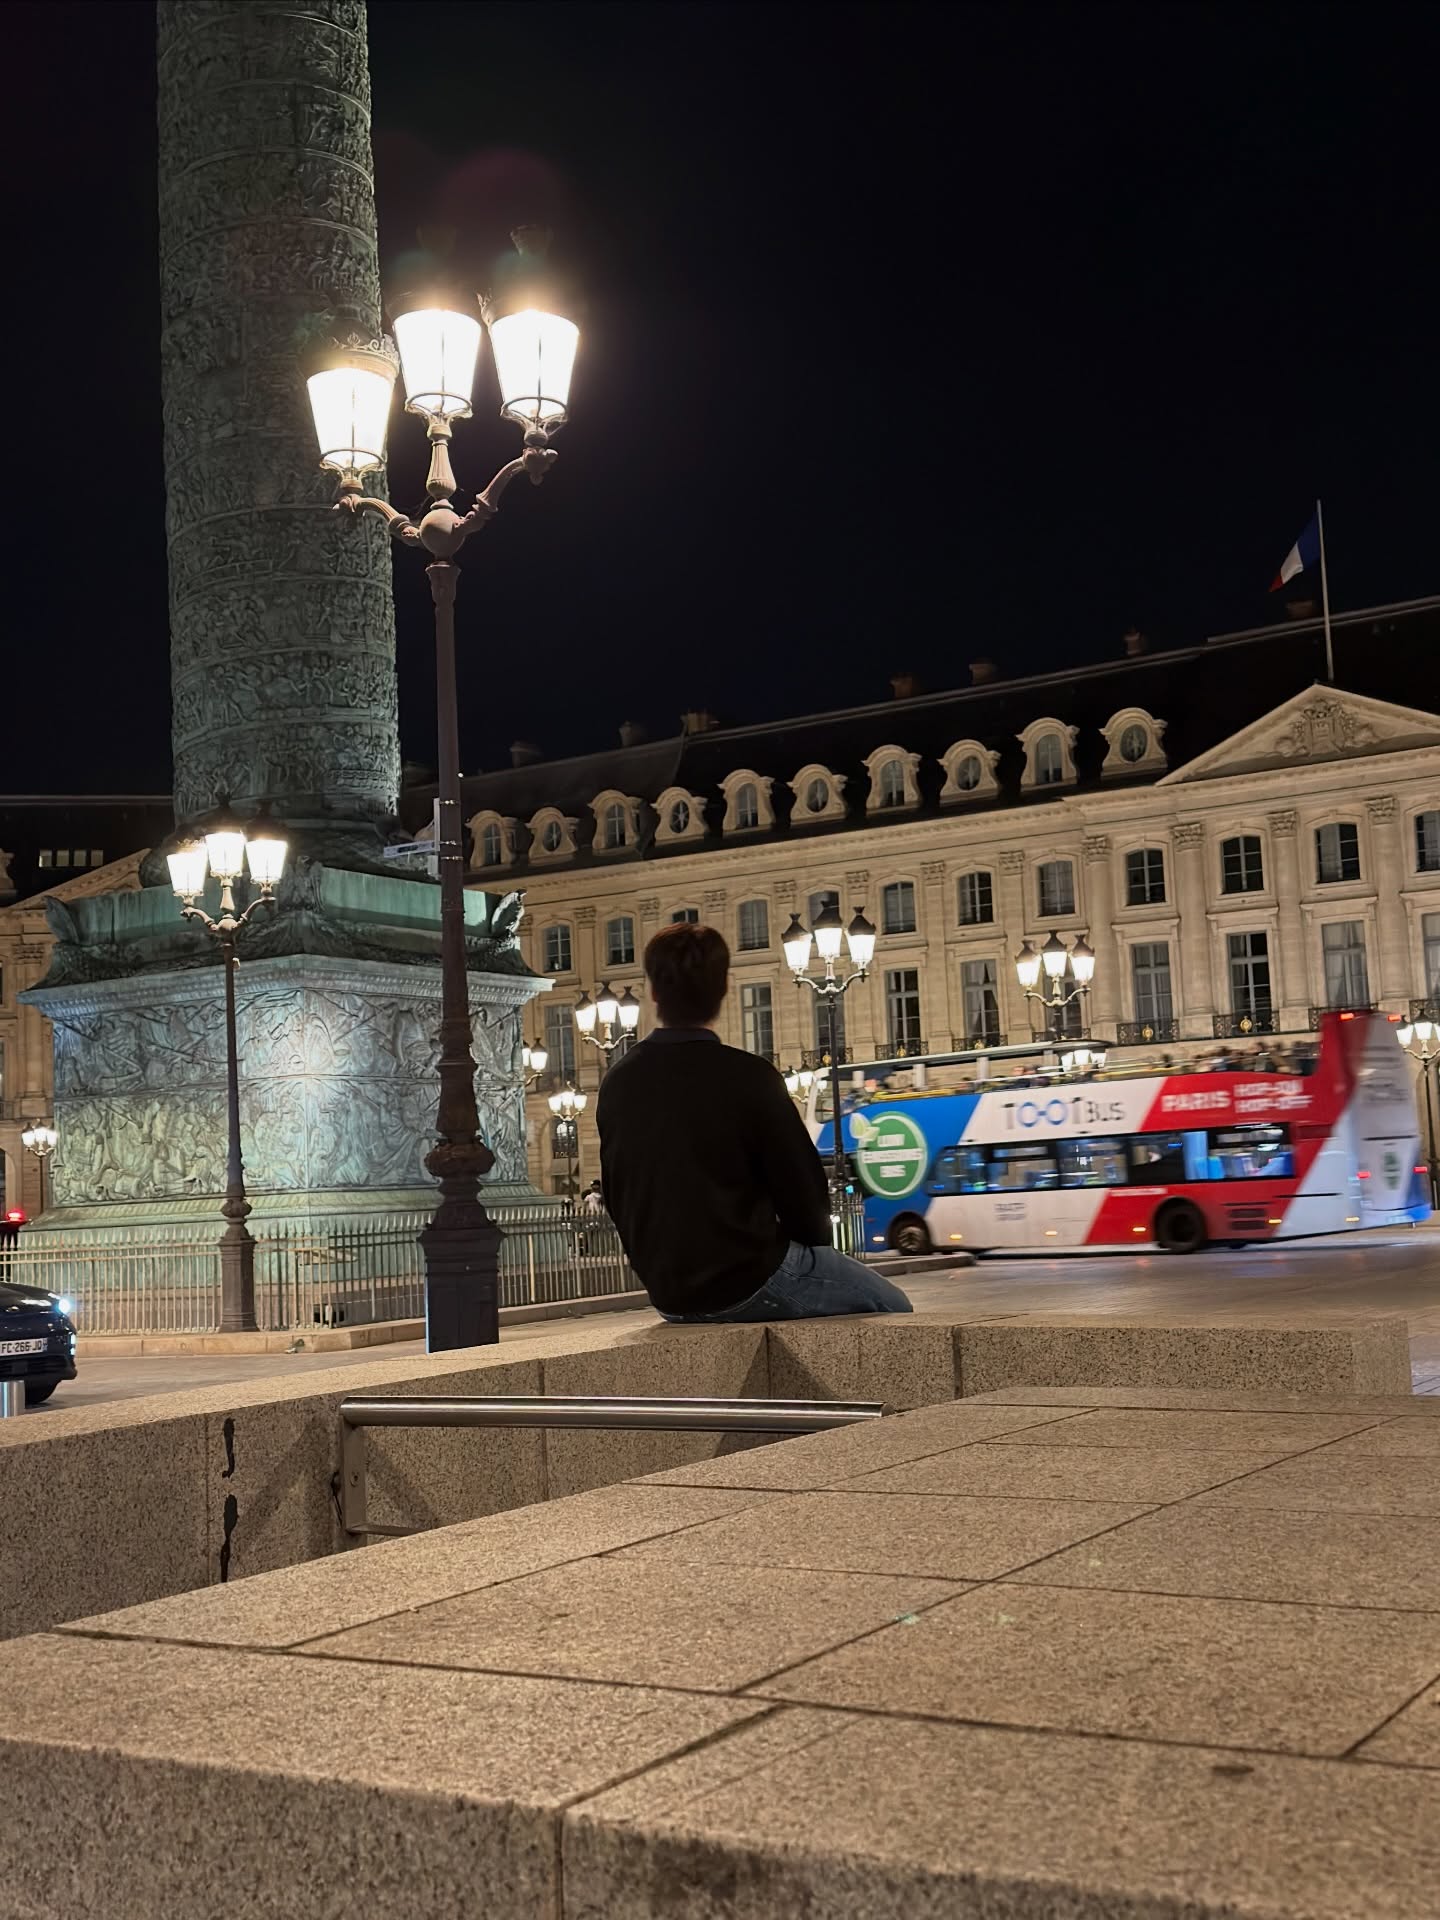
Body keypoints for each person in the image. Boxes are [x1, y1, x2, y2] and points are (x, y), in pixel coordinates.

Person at [597, 923, 912, 1322]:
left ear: (654, 992)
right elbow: (804, 1193)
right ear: (724, 989)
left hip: (668, 1295)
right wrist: (810, 1248)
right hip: (750, 1278)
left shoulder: (618, 1083)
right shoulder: (749, 1076)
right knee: (895, 1306)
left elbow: (616, 1194)